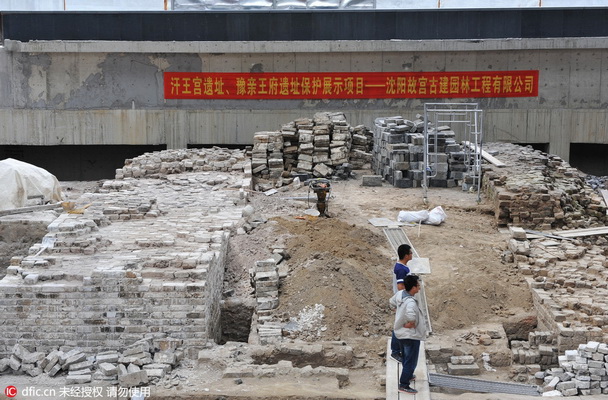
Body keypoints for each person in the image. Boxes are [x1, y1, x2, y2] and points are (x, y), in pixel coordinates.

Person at [390, 274, 427, 394]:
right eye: (418, 285)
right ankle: (404, 384)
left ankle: (409, 375)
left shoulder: (400, 294)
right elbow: (411, 315)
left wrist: (398, 312)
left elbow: (391, 302)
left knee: (406, 357)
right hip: (410, 335)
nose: (419, 287)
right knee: (410, 361)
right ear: (413, 287)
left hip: (401, 333)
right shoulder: (410, 302)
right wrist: (411, 322)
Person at [390, 244, 413, 362]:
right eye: (410, 253)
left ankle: (399, 349)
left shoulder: (402, 267)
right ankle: (395, 351)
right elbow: (400, 287)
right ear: (406, 255)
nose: (412, 255)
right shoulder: (401, 269)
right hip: (402, 300)